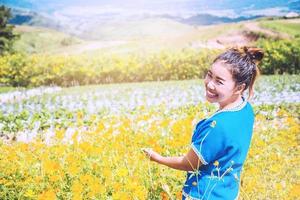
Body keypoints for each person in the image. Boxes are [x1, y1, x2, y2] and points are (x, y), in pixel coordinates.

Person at [142, 46, 264, 200]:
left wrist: (157, 158)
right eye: (209, 75)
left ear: (239, 88)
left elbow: (189, 164)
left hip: (204, 195)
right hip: (228, 193)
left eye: (219, 81)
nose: (210, 84)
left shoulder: (217, 126)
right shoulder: (245, 109)